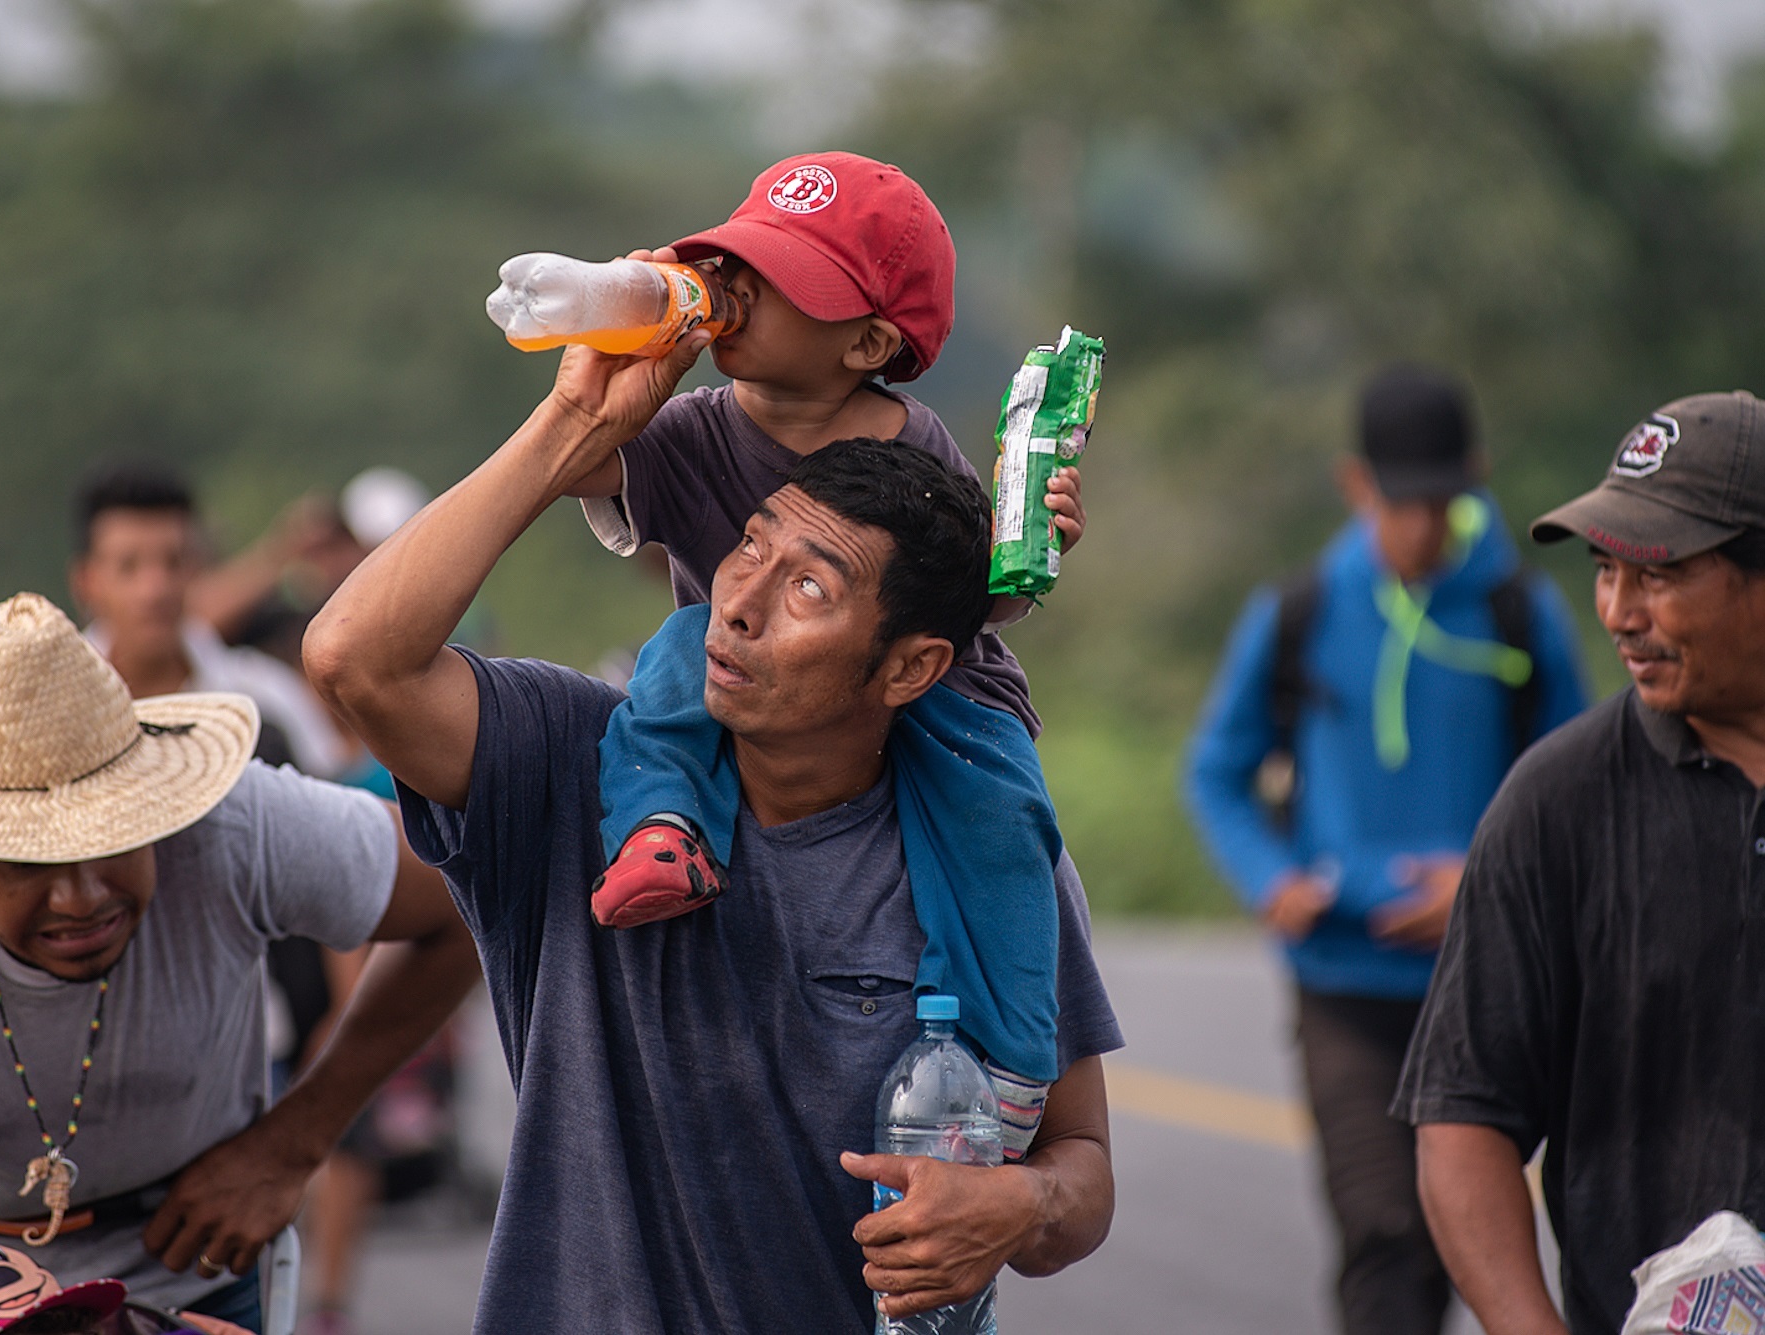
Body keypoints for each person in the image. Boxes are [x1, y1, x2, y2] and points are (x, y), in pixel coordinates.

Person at [304, 336, 1122, 1333]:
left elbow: (1077, 1166)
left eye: (808, 588)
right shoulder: (575, 770)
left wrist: (1019, 1205)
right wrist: (575, 426)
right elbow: (352, 659)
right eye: (749, 546)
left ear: (909, 668)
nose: (735, 604)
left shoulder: (979, 856)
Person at [0, 592, 477, 1333]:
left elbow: (462, 898)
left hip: (185, 1277)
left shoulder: (232, 827)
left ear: (154, 808)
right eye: (26, 863)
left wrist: (293, 1141)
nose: (79, 897)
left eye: (111, 841)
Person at [564, 151, 1086, 1130]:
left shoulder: (911, 442)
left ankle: (1013, 1067)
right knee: (668, 659)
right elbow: (568, 465)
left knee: (1004, 827)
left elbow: (965, 604)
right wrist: (610, 365)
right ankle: (659, 832)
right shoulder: (684, 429)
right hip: (740, 679)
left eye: (776, 283)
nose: (737, 293)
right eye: (733, 265)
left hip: (938, 693)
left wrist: (1029, 552)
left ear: (866, 343)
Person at [1184, 365, 1588, 1335]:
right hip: (1341, 983)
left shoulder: (1516, 615)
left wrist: (1484, 891)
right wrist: (1267, 877)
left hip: (1481, 983)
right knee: (1383, 1229)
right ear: (1353, 484)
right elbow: (1215, 772)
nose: (1419, 525)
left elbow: (1580, 794)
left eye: (1442, 501)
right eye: (1399, 501)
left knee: (1467, 1232)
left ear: (1475, 480)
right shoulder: (1299, 611)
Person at [1395, 389, 1765, 1335]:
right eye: (1606, 571)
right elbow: (1465, 1119)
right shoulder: (1556, 804)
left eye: (1659, 574)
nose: (1618, 611)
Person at [70, 459, 350, 778]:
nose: (155, 588)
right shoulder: (56, 713)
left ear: (198, 566)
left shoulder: (263, 699)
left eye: (173, 561)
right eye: (128, 567)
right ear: (86, 582)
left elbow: (326, 802)